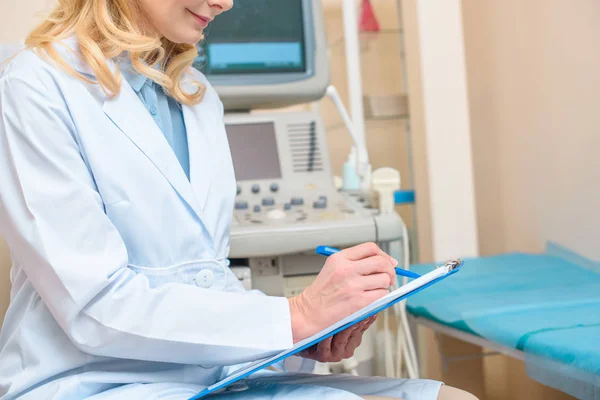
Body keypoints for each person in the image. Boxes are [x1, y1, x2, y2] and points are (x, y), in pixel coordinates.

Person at [0, 1, 477, 399]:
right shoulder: (37, 85)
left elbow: (205, 277)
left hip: (213, 374)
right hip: (91, 382)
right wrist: (294, 316)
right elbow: (93, 304)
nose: (225, 2)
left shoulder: (196, 95)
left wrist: (302, 338)